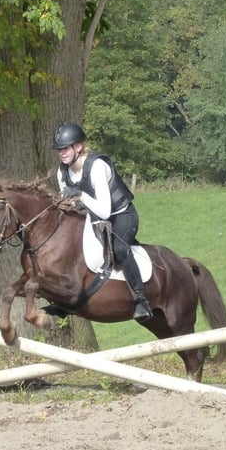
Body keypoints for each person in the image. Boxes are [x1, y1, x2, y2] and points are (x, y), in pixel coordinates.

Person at [52, 122, 154, 323]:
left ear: (78, 146)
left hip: (121, 216)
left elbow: (105, 211)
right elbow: (69, 204)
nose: (61, 153)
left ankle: (140, 299)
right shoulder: (62, 172)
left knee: (120, 249)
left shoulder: (97, 166)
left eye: (65, 148)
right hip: (92, 217)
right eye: (59, 149)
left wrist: (80, 195)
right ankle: (66, 299)